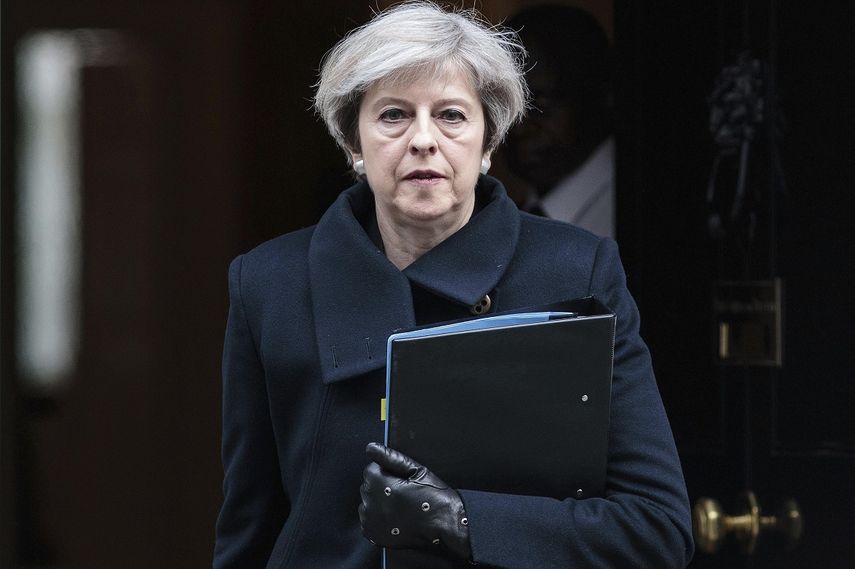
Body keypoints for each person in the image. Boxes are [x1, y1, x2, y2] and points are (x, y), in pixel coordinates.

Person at [213, 2, 693, 568]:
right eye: (393, 115)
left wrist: (462, 520)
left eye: (451, 115)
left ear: (489, 143)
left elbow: (657, 527)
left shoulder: (576, 270)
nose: (423, 139)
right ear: (353, 143)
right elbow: (249, 531)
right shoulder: (269, 283)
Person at [504, 5, 616, 238]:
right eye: (505, 108)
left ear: (602, 94)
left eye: (542, 103)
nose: (518, 128)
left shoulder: (630, 219)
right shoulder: (507, 220)